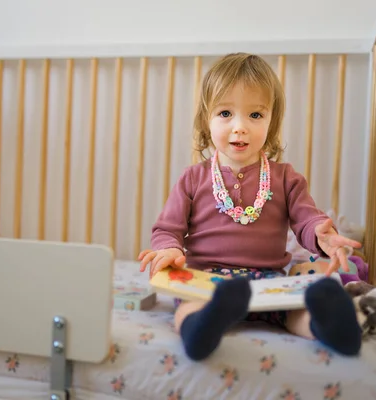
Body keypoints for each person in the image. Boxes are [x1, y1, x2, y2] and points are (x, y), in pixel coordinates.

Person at [138, 53, 363, 361]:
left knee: (294, 310)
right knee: (188, 304)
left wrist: (323, 235)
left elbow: (307, 220)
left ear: (272, 121)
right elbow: (168, 228)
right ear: (207, 119)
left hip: (268, 280)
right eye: (225, 113)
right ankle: (201, 329)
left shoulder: (285, 178)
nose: (240, 127)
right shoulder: (193, 178)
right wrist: (169, 250)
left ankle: (332, 327)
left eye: (255, 115)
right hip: (206, 279)